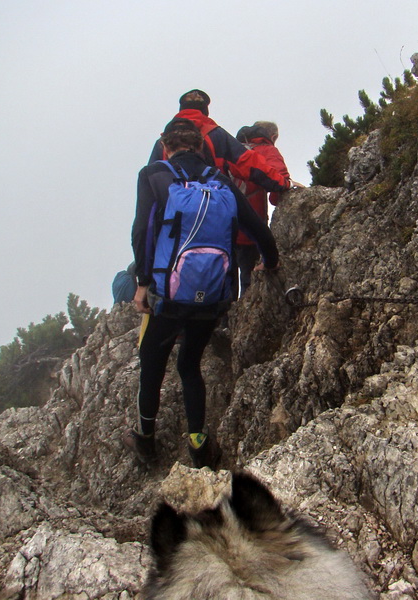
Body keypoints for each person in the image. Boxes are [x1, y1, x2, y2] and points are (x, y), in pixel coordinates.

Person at [126, 118, 279, 469]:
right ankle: (198, 444)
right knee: (189, 364)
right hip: (213, 297)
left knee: (152, 364)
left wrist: (143, 284)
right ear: (200, 148)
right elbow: (259, 232)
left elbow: (141, 232)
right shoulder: (220, 181)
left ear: (166, 148)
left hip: (168, 296)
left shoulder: (153, 174)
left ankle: (146, 441)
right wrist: (269, 263)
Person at [148, 90, 290, 195]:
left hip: (170, 220)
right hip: (212, 212)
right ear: (205, 111)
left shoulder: (162, 142)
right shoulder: (216, 135)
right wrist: (283, 183)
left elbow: (150, 185)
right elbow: (248, 163)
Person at [232, 121, 290, 297]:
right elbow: (279, 182)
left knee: (224, 278)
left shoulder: (233, 148)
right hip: (250, 229)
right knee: (248, 279)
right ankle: (241, 318)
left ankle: (223, 321)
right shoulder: (267, 150)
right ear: (272, 137)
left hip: (222, 225)